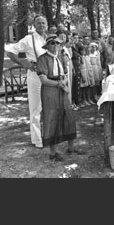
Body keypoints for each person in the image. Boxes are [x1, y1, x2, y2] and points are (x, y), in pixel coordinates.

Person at [36, 34, 83, 162]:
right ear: (47, 46)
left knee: (68, 115)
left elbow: (64, 74)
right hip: (50, 91)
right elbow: (43, 79)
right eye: (52, 43)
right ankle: (52, 153)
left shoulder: (61, 57)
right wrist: (59, 84)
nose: (55, 45)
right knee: (51, 118)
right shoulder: (42, 59)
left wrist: (64, 85)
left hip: (61, 89)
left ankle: (71, 148)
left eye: (57, 43)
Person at [6, 15, 48, 149]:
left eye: (43, 23)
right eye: (38, 23)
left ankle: (47, 135)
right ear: (34, 25)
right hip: (35, 74)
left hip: (48, 75)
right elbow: (11, 51)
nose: (41, 25)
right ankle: (37, 139)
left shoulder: (48, 39)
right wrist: (22, 63)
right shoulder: (29, 39)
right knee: (35, 108)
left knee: (48, 106)